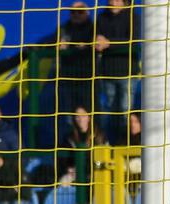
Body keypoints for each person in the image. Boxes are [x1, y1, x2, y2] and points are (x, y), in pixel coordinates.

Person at [39, 1, 95, 130]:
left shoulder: (94, 28)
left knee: (91, 113)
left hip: (88, 80)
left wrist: (87, 45)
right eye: (72, 11)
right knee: (69, 116)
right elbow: (49, 43)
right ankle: (72, 144)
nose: (76, 14)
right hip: (67, 79)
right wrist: (57, 45)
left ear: (87, 13)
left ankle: (91, 143)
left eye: (80, 11)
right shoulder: (64, 29)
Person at [94, 0, 138, 144]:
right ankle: (110, 143)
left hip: (127, 73)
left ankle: (125, 144)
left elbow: (133, 41)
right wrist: (97, 41)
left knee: (126, 111)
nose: (113, 2)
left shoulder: (133, 16)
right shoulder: (101, 17)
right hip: (107, 73)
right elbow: (97, 39)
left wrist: (109, 43)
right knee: (108, 112)